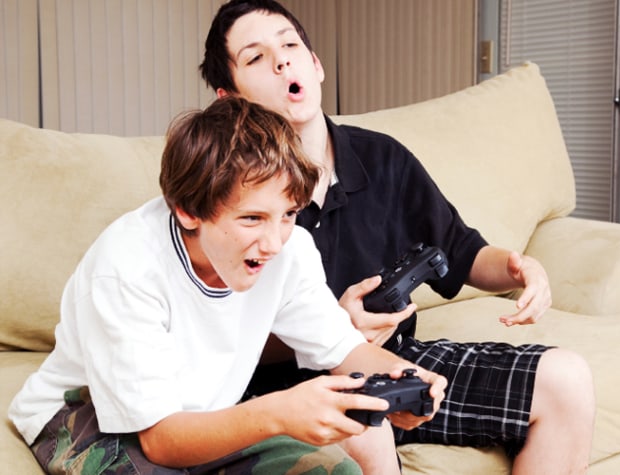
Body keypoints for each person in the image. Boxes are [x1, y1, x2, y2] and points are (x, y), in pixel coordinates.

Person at [200, 1, 595, 472]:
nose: (282, 60)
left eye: (289, 45)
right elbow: (213, 340)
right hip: (282, 388)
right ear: (230, 99)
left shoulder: (383, 158)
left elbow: (461, 252)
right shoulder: (223, 192)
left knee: (566, 380)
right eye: (256, 58)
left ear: (316, 64)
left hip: (392, 362)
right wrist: (328, 333)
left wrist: (518, 265)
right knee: (369, 430)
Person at [8, 96, 447, 475]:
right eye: (252, 218)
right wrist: (277, 413)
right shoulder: (126, 267)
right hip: (86, 415)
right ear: (188, 211)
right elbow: (160, 441)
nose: (274, 242)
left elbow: (344, 349)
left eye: (289, 214)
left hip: (198, 418)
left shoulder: (290, 251)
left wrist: (402, 378)